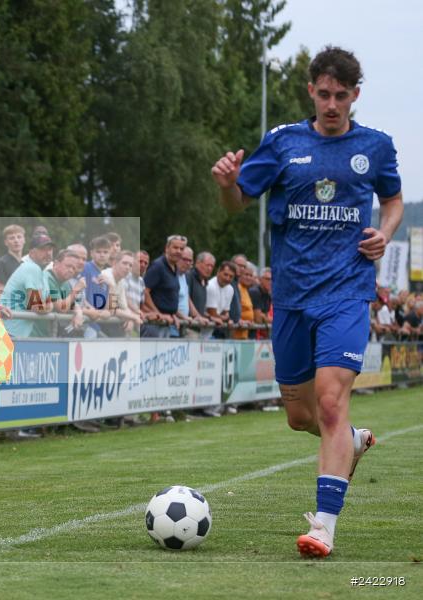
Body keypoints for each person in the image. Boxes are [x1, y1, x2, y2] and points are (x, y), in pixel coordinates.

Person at [211, 46, 403, 558]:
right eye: (324, 93)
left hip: (347, 291)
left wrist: (385, 233)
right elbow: (237, 202)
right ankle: (353, 441)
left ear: (355, 95)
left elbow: (393, 201)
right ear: (311, 92)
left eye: (342, 95)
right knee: (300, 416)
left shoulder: (376, 147)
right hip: (292, 296)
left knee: (331, 402)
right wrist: (229, 184)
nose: (333, 103)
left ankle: (323, 526)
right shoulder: (281, 143)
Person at [0, 234, 56, 338]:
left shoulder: (42, 271)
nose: (48, 253)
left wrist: (48, 305)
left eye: (50, 249)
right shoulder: (32, 268)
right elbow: (36, 307)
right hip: (6, 333)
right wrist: (49, 307)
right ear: (31, 253)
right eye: (43, 249)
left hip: (9, 332)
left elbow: (46, 302)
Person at [143, 235, 187, 337]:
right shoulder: (158, 266)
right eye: (175, 248)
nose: (178, 251)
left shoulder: (175, 267)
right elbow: (144, 291)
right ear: (167, 248)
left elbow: (167, 296)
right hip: (153, 323)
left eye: (181, 249)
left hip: (167, 323)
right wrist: (159, 314)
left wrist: (173, 314)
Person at [0, 223, 25, 299]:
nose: (16, 240)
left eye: (19, 237)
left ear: (24, 239)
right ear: (6, 242)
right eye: (12, 238)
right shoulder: (2, 263)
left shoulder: (25, 264)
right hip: (10, 307)